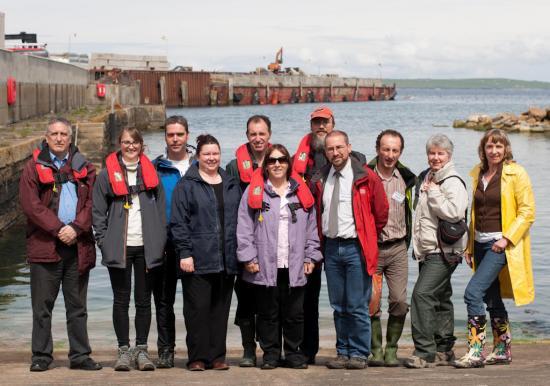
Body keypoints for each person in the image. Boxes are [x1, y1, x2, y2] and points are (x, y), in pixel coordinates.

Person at [19, 117, 101, 372]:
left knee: (77, 306)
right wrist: (58, 229)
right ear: (46, 137)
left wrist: (76, 228)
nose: (59, 138)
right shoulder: (32, 168)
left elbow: (92, 204)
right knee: (42, 306)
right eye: (54, 134)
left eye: (63, 134)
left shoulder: (85, 168)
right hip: (45, 245)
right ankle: (42, 356)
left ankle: (80, 355)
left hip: (78, 245)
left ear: (70, 137)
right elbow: (31, 206)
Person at [291, 106, 367, 364]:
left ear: (334, 125)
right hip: (312, 239)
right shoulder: (299, 160)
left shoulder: (356, 160)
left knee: (353, 300)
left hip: (342, 239)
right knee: (309, 297)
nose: (320, 127)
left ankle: (357, 351)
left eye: (325, 123)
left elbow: (377, 210)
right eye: (316, 123)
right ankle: (307, 349)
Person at [454, 129, 535, 368]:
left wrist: (506, 239)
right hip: (479, 243)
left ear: (506, 148)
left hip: (500, 245)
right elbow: (475, 214)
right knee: (491, 297)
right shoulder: (478, 172)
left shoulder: (516, 173)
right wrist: (469, 246)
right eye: (490, 146)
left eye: (499, 146)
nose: (495, 151)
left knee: (472, 293)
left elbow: (527, 212)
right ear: (483, 149)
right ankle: (501, 350)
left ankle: (475, 351)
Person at [236, 144, 323, 370]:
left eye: (282, 160)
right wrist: (248, 257)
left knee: (295, 314)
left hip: (294, 263)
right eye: (272, 160)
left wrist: (311, 257)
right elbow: (244, 227)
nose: (277, 164)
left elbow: (312, 228)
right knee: (267, 314)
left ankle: (294, 354)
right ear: (265, 166)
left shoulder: (300, 191)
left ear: (288, 164)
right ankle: (271, 355)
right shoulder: (254, 191)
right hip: (264, 263)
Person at [310, 130, 388, 370]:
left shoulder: (366, 177)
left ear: (349, 147)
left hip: (356, 247)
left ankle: (359, 353)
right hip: (331, 248)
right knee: (338, 305)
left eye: (339, 148)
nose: (336, 153)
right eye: (331, 149)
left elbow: (381, 213)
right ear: (326, 152)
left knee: (356, 304)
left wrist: (366, 235)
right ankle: (343, 351)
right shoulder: (321, 178)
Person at [92, 127, 166, 371]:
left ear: (141, 145)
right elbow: (98, 211)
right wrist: (103, 241)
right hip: (119, 247)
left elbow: (161, 210)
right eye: (126, 142)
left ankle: (142, 350)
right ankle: (123, 350)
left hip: (146, 247)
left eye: (135, 142)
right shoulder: (106, 175)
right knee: (120, 300)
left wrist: (159, 239)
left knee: (143, 301)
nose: (131, 146)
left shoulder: (151, 172)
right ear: (119, 144)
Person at [170, 134, 242, 371]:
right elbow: (179, 222)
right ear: (198, 156)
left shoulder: (230, 182)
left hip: (226, 257)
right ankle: (197, 357)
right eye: (206, 154)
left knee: (220, 310)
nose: (211, 158)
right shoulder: (187, 185)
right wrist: (184, 253)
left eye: (215, 153)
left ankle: (218, 356)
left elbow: (238, 221)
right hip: (198, 258)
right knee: (197, 310)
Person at [404, 134, 468, 369]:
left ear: (449, 156)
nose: (435, 157)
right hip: (428, 249)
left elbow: (454, 212)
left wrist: (433, 193)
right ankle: (444, 349)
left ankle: (424, 352)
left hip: (444, 251)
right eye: (432, 153)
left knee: (421, 295)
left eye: (440, 153)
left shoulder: (452, 180)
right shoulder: (427, 177)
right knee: (441, 298)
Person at [367, 129, 417, 367]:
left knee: (399, 300)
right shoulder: (365, 175)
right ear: (378, 149)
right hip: (372, 250)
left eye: (394, 150)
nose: (389, 154)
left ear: (400, 152)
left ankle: (392, 349)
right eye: (385, 149)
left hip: (398, 248)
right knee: (371, 302)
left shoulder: (406, 178)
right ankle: (376, 349)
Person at [226, 115, 272, 367]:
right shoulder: (234, 167)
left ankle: (268, 347)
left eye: (261, 133)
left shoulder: (278, 162)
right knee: (245, 297)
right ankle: (247, 349)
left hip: (272, 240)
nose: (257, 138)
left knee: (268, 298)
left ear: (269, 136)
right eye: (253, 134)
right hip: (243, 240)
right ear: (247, 136)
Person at [152, 115, 196, 368]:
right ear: (165, 137)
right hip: (164, 243)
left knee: (194, 301)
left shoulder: (199, 165)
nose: (175, 139)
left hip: (193, 244)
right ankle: (166, 349)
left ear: (187, 135)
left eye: (180, 134)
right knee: (164, 301)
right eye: (171, 135)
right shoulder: (155, 167)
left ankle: (196, 349)